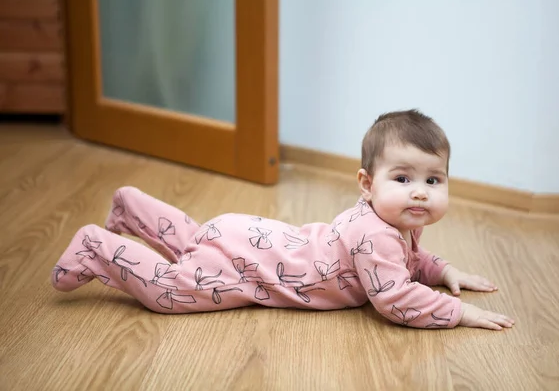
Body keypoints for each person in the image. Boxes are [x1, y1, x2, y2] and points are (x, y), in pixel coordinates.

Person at [51, 109, 515, 330]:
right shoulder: (376, 236)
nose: (419, 191)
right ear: (366, 183)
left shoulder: (392, 222)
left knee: (198, 239)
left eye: (434, 181)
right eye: (402, 178)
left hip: (248, 235)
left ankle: (131, 207)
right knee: (173, 292)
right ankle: (98, 247)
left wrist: (444, 270)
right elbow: (393, 296)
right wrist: (459, 312)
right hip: (249, 267)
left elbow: (411, 261)